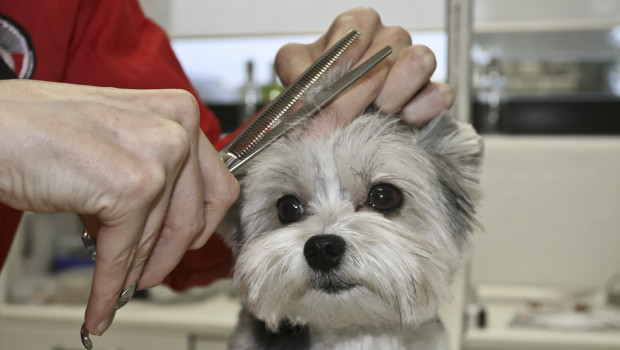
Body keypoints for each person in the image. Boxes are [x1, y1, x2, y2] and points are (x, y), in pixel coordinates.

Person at [0, 0, 454, 338]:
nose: (324, 237)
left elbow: (191, 182)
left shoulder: (83, 9)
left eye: (381, 199)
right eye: (290, 208)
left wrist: (290, 121)